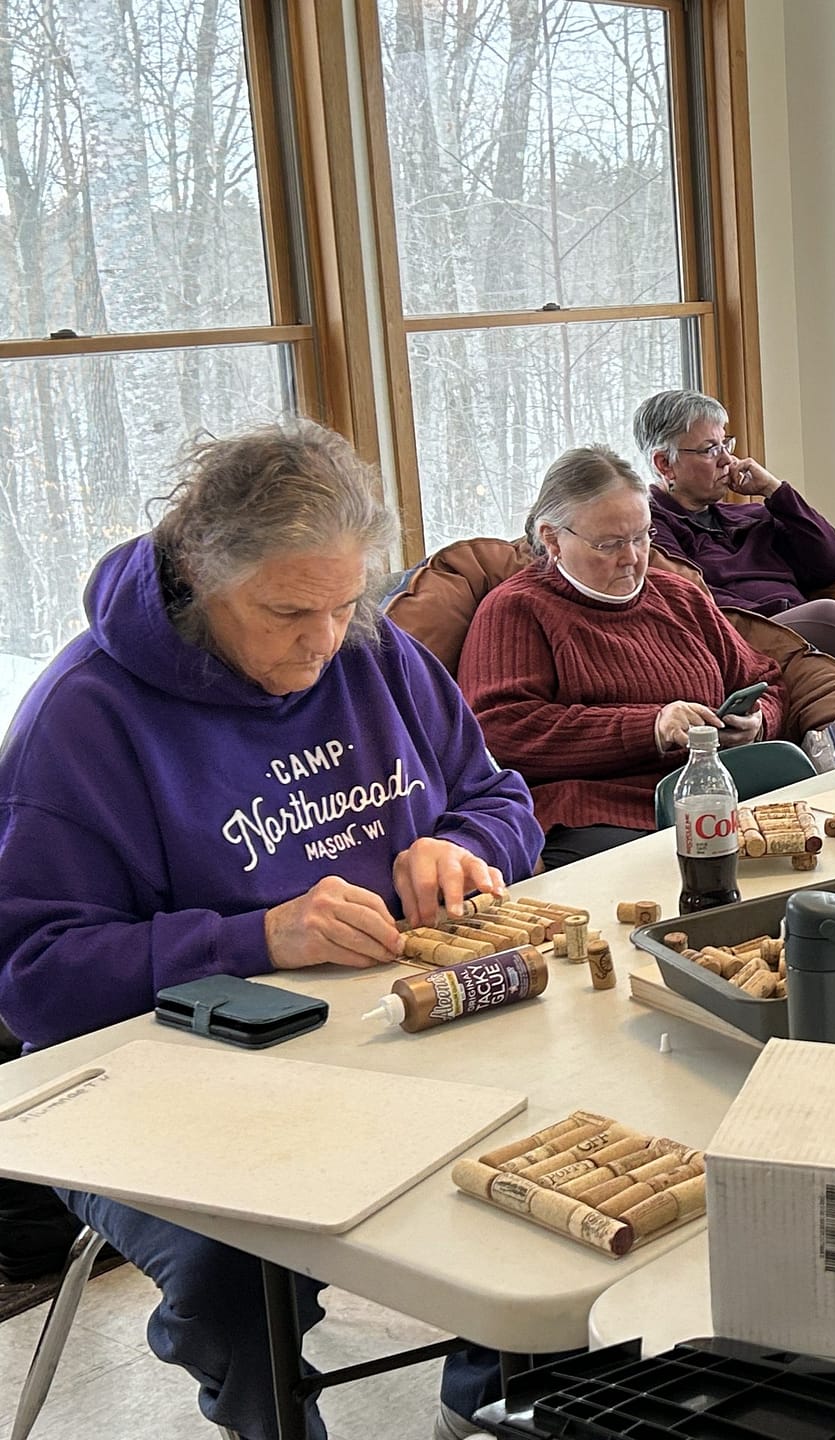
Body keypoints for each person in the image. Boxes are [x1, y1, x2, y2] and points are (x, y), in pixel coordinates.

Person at [0, 418, 544, 1440]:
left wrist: (464, 846)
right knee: (237, 1270)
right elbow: (38, 980)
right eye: (287, 611)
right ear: (202, 582)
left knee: (547, 1153)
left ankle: (494, 1398)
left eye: (344, 604)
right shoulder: (82, 717)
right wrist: (257, 938)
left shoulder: (375, 651)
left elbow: (501, 797)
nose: (324, 641)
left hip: (385, 1038)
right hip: (164, 1085)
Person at [460, 445, 786, 867]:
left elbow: (766, 678)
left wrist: (758, 722)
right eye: (609, 544)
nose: (632, 558)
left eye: (641, 536)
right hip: (599, 813)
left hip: (720, 797)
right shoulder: (516, 609)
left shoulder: (680, 596)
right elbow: (500, 732)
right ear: (552, 538)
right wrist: (651, 727)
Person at [637, 389, 835, 695]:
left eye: (726, 444)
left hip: (799, 632)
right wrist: (776, 611)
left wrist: (774, 490)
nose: (727, 460)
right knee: (826, 614)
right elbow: (694, 603)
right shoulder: (649, 532)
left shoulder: (748, 516)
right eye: (710, 450)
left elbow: (832, 565)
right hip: (745, 640)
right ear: (665, 464)